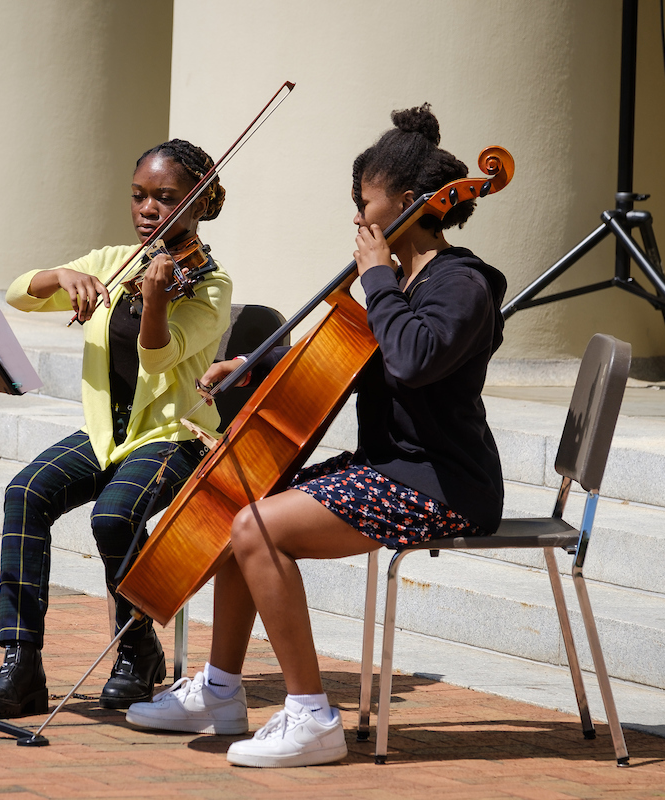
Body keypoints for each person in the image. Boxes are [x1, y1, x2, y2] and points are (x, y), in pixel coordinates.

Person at [124, 104, 507, 768]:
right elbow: (350, 357)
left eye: (366, 203)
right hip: (391, 466)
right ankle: (220, 689)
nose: (357, 219)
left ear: (411, 205)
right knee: (251, 496)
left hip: (443, 484)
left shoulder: (462, 283)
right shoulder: (401, 283)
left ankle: (311, 716)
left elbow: (414, 359)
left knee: (258, 528)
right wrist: (260, 364)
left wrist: (377, 277)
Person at [0, 140, 232, 718]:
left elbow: (160, 360)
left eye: (165, 198)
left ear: (198, 203)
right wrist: (60, 275)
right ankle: (22, 663)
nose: (147, 209)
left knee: (114, 516)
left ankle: (137, 649)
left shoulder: (210, 286)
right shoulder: (113, 260)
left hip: (174, 436)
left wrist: (158, 301)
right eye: (139, 196)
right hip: (104, 434)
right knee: (25, 494)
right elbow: (19, 294)